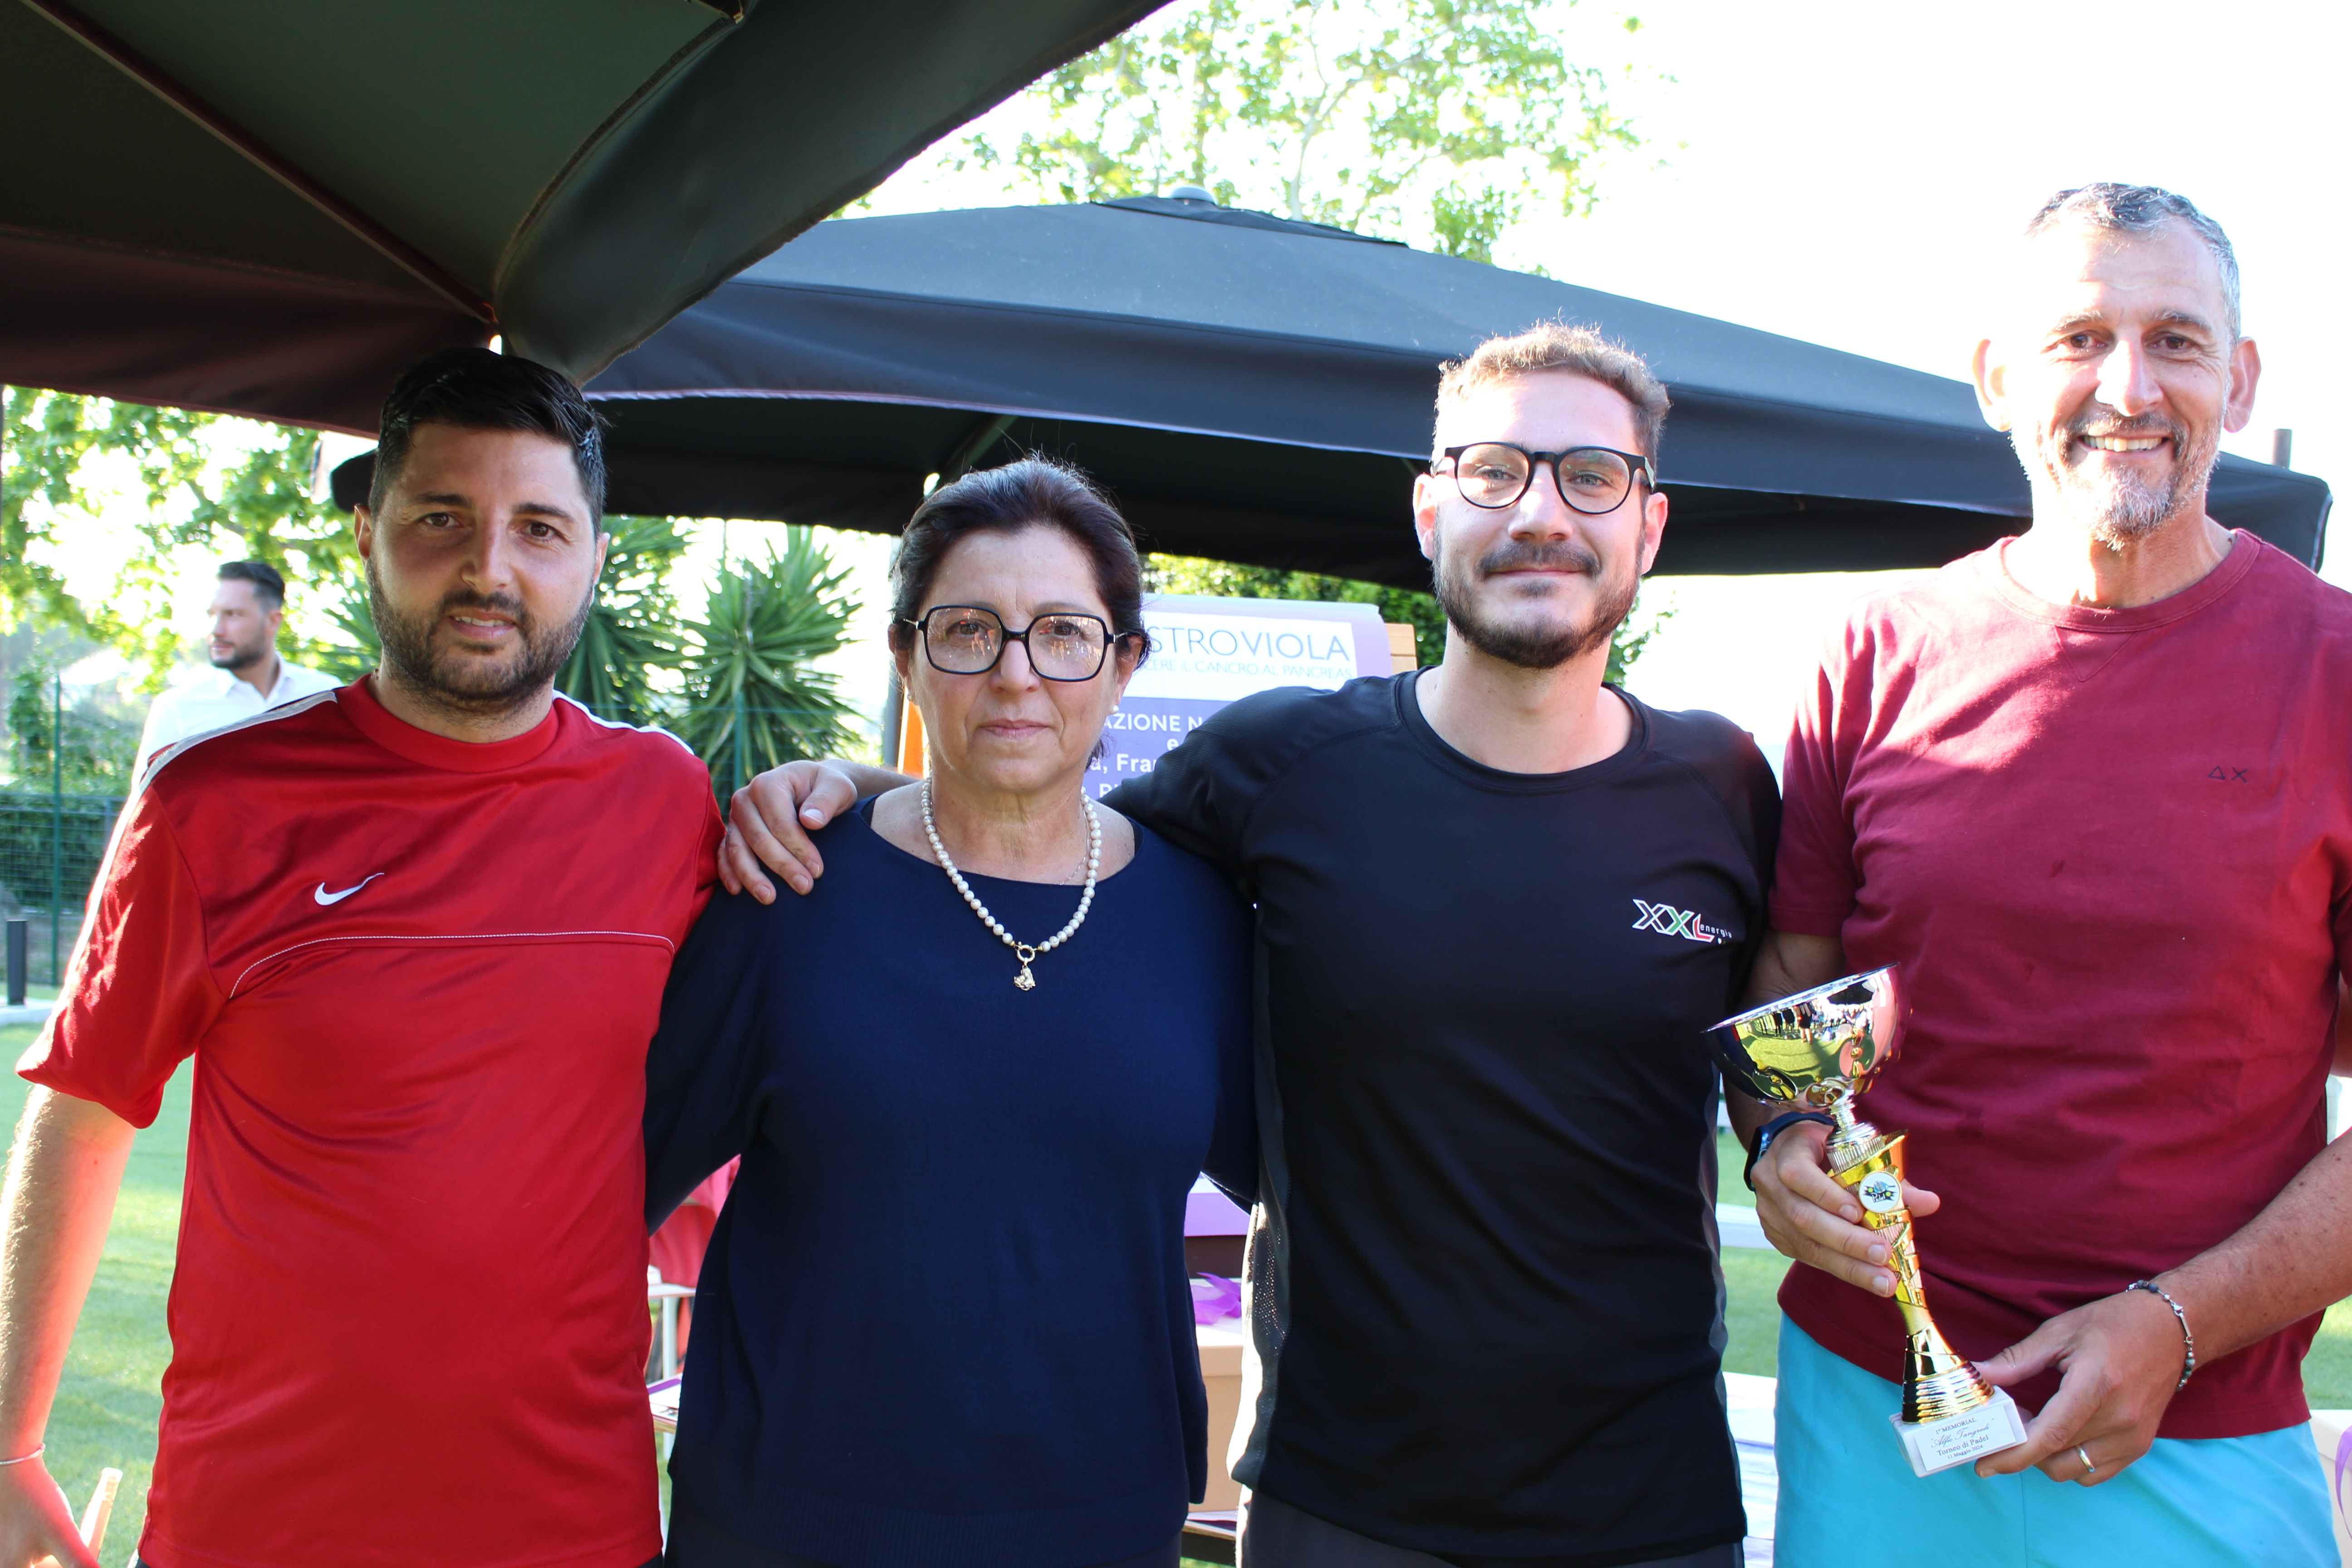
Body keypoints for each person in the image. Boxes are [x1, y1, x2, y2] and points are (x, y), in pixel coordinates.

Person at [727, 325, 1780, 1568]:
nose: (1539, 513)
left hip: (1652, 1510)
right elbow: (1043, 828)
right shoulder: (1279, 764)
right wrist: (852, 787)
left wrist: (1796, 1136)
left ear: (1648, 527)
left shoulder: (1725, 784)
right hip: (1344, 1508)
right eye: (1495, 471)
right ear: (1430, 510)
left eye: (1590, 476)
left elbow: (1780, 1051)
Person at [0, 348, 720, 1568]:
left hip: (569, 1524)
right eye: (442, 517)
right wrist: (12, 1448)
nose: (490, 567)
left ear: (596, 556)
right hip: (260, 1522)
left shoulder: (665, 802)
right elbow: (81, 1113)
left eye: (539, 527)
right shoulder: (215, 803)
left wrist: (844, 778)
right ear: (366, 534)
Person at [1734, 184, 2349, 1567]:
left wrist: (2175, 1325)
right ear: (1999, 378)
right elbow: (1797, 981)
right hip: (1874, 1400)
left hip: (2202, 1431)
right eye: (2079, 339)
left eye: (2177, 341)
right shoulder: (1875, 650)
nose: (2128, 387)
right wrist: (1780, 1141)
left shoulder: (2340, 671)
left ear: (2242, 381)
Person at [642, 458, 1256, 1568]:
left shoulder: (1202, 919)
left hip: (1100, 1526)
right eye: (969, 630)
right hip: (787, 1529)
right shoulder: (786, 893)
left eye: (1063, 633)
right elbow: (606, 1193)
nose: (1016, 674)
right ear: (906, 657)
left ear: (1123, 665)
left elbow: (1319, 1189)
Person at [131, 560, 339, 776]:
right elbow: (146, 795)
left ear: (273, 622)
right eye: (212, 615)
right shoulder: (177, 707)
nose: (216, 630)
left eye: (233, 614)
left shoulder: (324, 696)